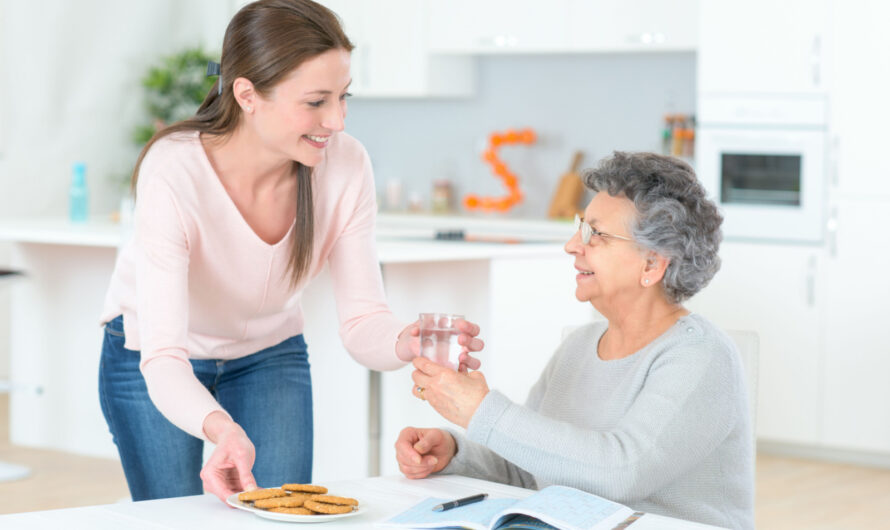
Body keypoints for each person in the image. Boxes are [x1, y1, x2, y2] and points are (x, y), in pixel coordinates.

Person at [98, 0, 483, 504]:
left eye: (344, 97)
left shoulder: (344, 166)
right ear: (247, 94)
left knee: (284, 511)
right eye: (317, 101)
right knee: (175, 513)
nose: (338, 121)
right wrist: (221, 429)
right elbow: (165, 355)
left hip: (268, 355)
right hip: (154, 357)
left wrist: (406, 341)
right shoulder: (175, 171)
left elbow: (364, 321)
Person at [395, 152, 754, 529]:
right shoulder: (580, 346)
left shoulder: (700, 356)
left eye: (594, 235)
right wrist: (454, 451)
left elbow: (622, 471)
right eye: (580, 227)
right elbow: (532, 466)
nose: (571, 245)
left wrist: (481, 411)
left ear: (652, 264)